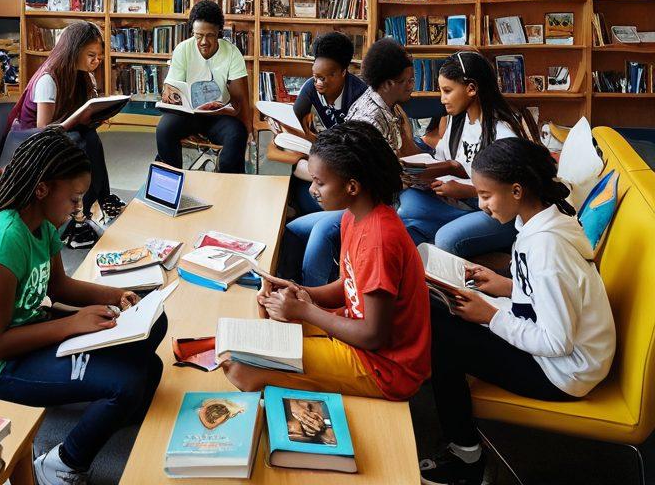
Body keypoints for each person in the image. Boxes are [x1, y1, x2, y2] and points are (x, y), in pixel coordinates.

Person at [0, 129, 167, 485]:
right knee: (127, 383)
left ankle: (102, 402)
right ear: (42, 189)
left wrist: (116, 295)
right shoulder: (4, 238)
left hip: (30, 330)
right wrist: (71, 324)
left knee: (152, 348)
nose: (78, 209)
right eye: (75, 198)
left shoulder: (43, 223)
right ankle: (60, 464)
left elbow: (59, 285)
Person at [420, 136, 615, 485]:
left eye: (484, 195)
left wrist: (490, 316)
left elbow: (558, 342)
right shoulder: (543, 220)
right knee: (441, 311)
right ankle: (460, 442)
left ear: (516, 191)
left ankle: (467, 459)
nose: (480, 205)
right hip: (558, 351)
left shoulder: (546, 250)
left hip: (563, 372)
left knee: (442, 334)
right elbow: (549, 295)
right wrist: (505, 286)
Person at [224, 122, 430, 403]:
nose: (312, 190)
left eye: (320, 182)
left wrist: (305, 310)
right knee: (270, 319)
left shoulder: (379, 241)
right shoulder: (354, 216)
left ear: (352, 186)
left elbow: (373, 336)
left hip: (384, 368)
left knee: (242, 364)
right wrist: (299, 292)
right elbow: (350, 285)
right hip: (362, 341)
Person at [282, 36, 418, 285]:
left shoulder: (384, 108)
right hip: (360, 194)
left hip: (373, 201)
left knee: (320, 231)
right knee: (291, 229)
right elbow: (358, 171)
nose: (412, 85)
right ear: (388, 83)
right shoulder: (371, 117)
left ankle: (313, 300)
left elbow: (382, 172)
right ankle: (300, 291)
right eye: (405, 81)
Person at [397, 51, 540, 260]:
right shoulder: (456, 120)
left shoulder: (502, 131)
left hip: (498, 212)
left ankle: (442, 253)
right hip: (458, 201)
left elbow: (515, 190)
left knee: (446, 238)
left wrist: (466, 190)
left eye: (447, 91)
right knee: (404, 204)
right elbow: (443, 160)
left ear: (471, 89)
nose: (442, 99)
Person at [5, 20, 123, 248]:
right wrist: (78, 119)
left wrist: (94, 117)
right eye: (91, 55)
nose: (96, 61)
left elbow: (72, 121)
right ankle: (81, 215)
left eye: (99, 56)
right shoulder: (49, 78)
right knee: (80, 141)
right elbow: (43, 130)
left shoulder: (80, 75)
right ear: (74, 51)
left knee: (89, 137)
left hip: (61, 133)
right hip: (28, 140)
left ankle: (88, 208)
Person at [271, 31, 368, 216]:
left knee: (308, 170)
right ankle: (287, 208)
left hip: (350, 158)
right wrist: (281, 129)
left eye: (324, 78)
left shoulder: (359, 95)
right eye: (315, 76)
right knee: (283, 156)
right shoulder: (310, 88)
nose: (317, 83)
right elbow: (293, 121)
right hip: (323, 154)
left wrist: (313, 139)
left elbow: (355, 147)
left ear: (343, 72)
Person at [156, 0, 252, 173]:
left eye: (210, 35)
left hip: (218, 115)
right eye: (198, 35)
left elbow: (239, 100)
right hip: (187, 115)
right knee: (164, 129)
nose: (203, 42)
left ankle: (230, 185)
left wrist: (246, 127)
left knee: (237, 134)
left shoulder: (231, 53)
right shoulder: (182, 50)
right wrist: (170, 98)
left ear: (219, 33)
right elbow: (171, 90)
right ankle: (173, 181)